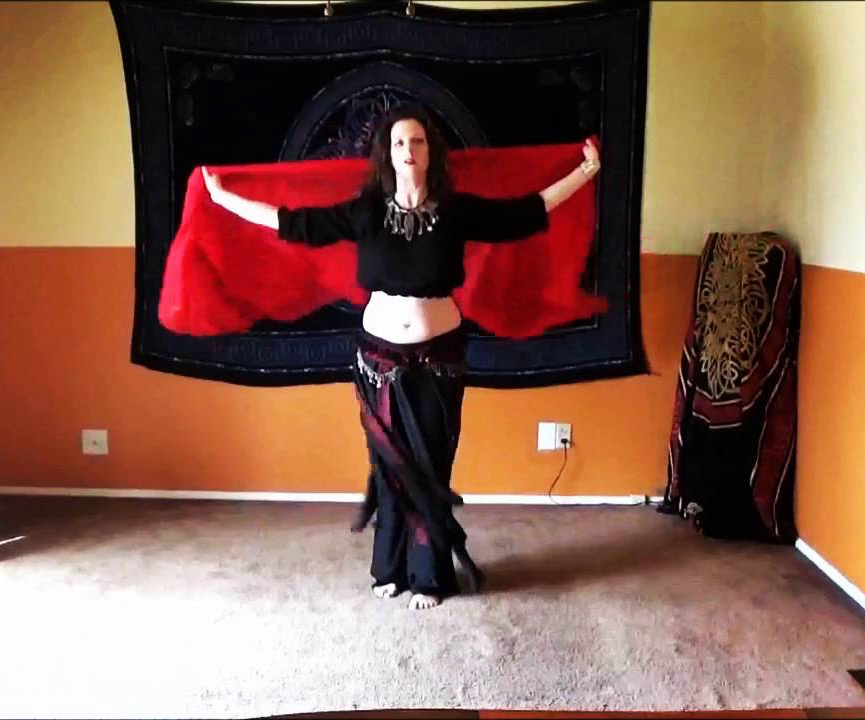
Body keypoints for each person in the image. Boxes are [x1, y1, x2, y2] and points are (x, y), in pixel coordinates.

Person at [202, 104, 600, 610]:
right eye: (398, 143)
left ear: (431, 152)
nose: (408, 151)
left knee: (430, 465)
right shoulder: (366, 211)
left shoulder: (455, 210)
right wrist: (224, 199)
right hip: (378, 362)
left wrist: (585, 173)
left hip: (440, 360)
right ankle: (389, 569)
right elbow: (294, 223)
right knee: (389, 465)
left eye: (417, 141)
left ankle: (429, 576)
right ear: (386, 155)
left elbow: (524, 213)